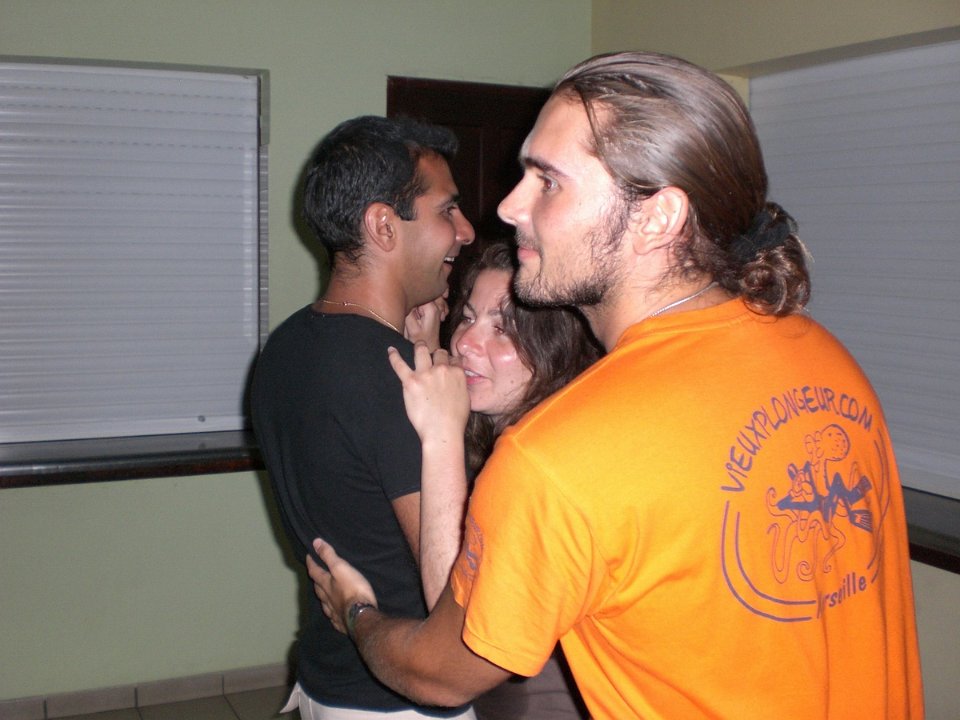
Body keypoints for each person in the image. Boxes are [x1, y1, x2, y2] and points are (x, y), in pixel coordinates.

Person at [307, 52, 925, 719]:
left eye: (548, 181)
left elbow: (441, 674)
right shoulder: (826, 359)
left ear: (658, 217)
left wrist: (359, 613)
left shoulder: (556, 459)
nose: (508, 206)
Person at [250, 114, 475, 719]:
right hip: (401, 696)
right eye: (447, 210)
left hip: (329, 680)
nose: (466, 230)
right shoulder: (394, 380)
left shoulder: (286, 346)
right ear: (383, 225)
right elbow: (458, 593)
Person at [392, 241, 598, 719]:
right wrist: (428, 347)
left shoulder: (547, 465)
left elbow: (454, 612)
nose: (465, 342)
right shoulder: (506, 432)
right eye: (467, 318)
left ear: (558, 345)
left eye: (502, 328)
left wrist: (441, 434)